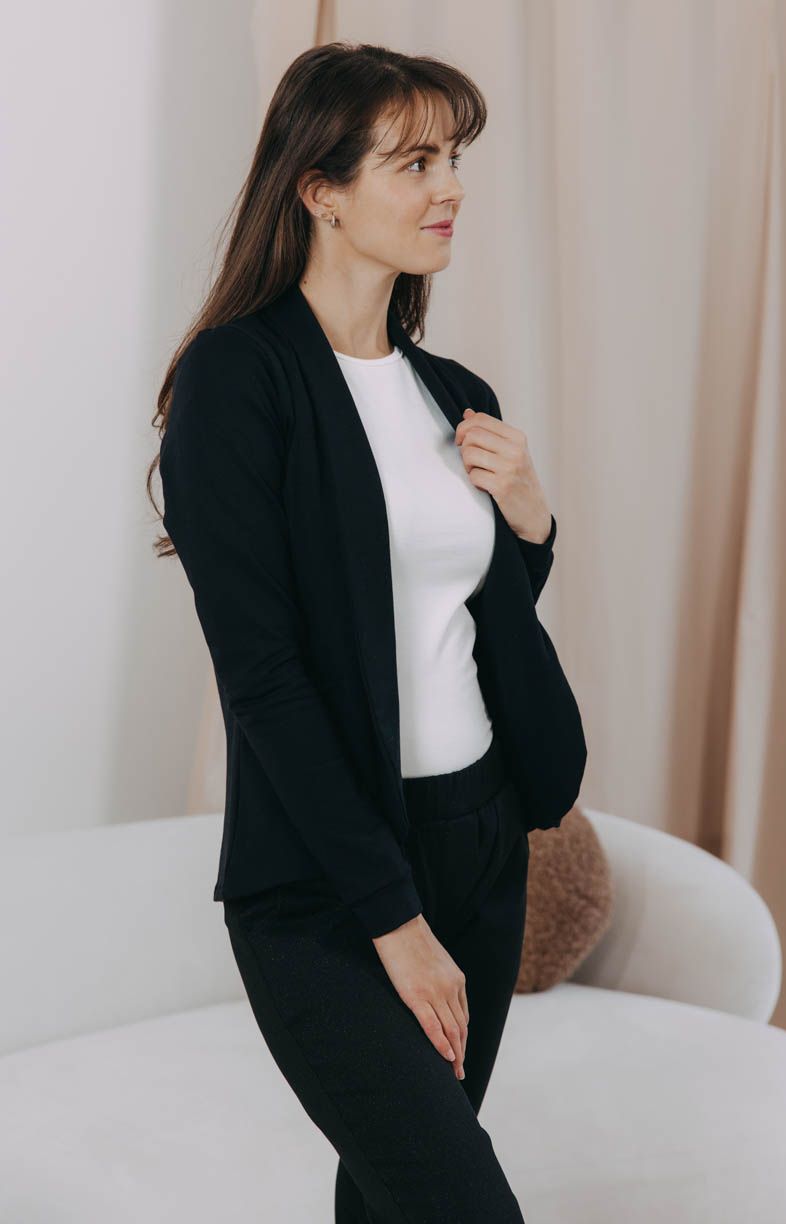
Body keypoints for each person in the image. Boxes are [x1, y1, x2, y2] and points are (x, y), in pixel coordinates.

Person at [151, 41, 586, 1224]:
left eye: (454, 159)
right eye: (415, 162)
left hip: (479, 844)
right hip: (325, 879)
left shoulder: (458, 394)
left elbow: (461, 615)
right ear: (320, 189)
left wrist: (534, 525)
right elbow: (266, 677)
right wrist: (394, 920)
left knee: (393, 1197)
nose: (451, 188)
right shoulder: (238, 383)